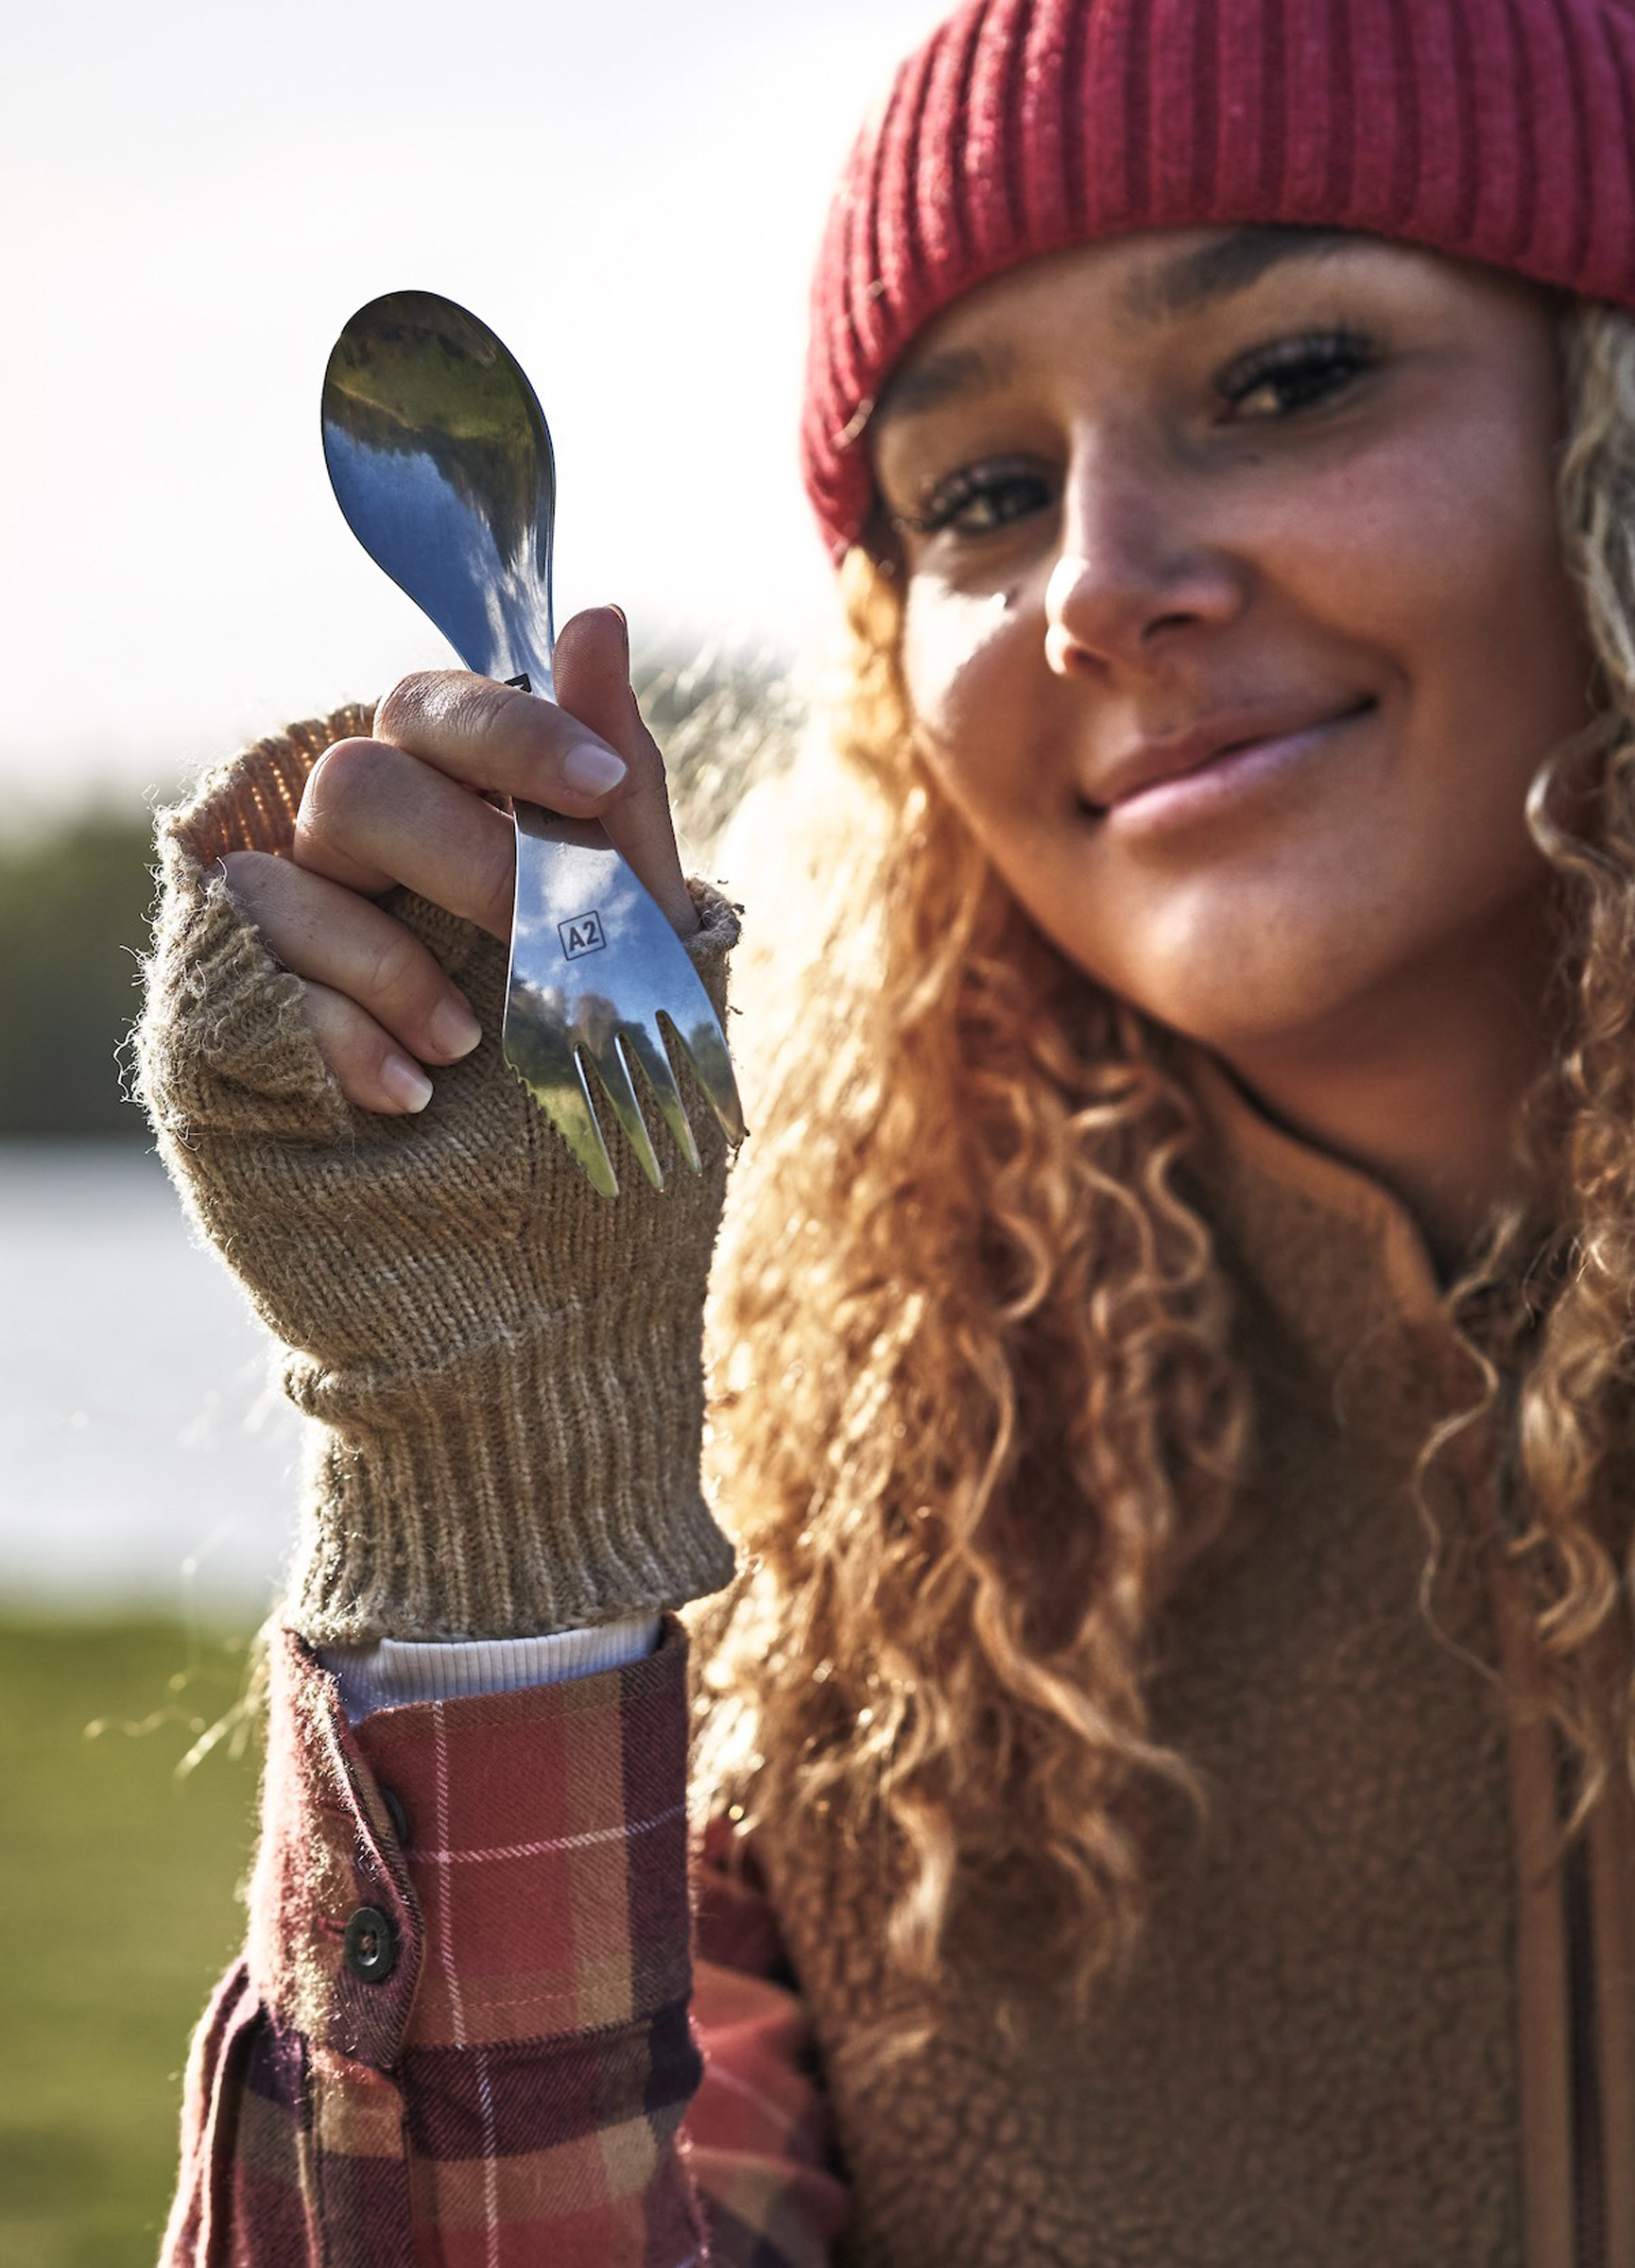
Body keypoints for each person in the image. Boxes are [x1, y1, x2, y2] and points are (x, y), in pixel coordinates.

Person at [135, 0, 1635, 2260]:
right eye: (981, 498)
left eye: (1289, 378)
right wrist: (487, 1466)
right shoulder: (831, 1551)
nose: (1098, 584)